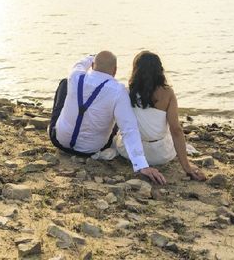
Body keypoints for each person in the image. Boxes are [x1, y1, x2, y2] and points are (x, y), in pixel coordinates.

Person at [49, 51, 167, 185]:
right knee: (119, 114)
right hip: (91, 150)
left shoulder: (75, 75)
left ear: (93, 65)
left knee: (65, 83)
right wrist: (141, 165)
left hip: (59, 141)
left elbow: (79, 64)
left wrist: (92, 57)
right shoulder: (118, 90)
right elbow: (129, 129)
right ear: (115, 70)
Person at [115, 51, 206, 181]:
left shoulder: (127, 92)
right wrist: (187, 167)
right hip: (161, 155)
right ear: (160, 70)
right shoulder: (167, 93)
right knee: (168, 129)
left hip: (130, 153)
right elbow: (176, 130)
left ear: (135, 70)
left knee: (120, 130)